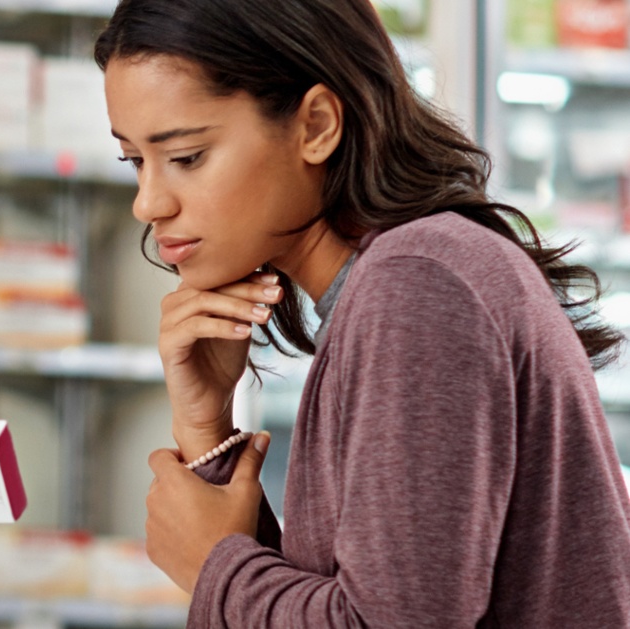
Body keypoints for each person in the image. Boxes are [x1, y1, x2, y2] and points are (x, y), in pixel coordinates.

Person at [95, 0, 630, 626]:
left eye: (186, 157)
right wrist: (208, 428)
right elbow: (339, 598)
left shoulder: (419, 282)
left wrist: (214, 563)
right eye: (135, 162)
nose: (149, 203)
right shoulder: (403, 276)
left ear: (317, 124)